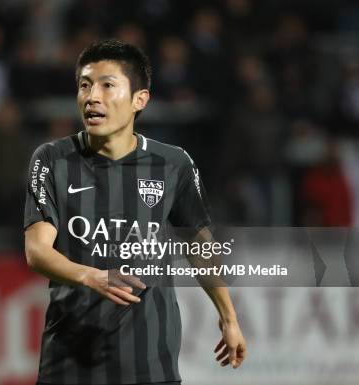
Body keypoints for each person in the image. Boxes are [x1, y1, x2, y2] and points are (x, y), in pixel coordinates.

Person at [23, 40, 247, 385]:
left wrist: (228, 317)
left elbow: (200, 246)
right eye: (85, 85)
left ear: (139, 100)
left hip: (151, 366)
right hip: (68, 365)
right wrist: (90, 276)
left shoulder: (173, 164)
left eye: (107, 85)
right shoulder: (53, 160)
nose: (91, 96)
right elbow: (37, 251)